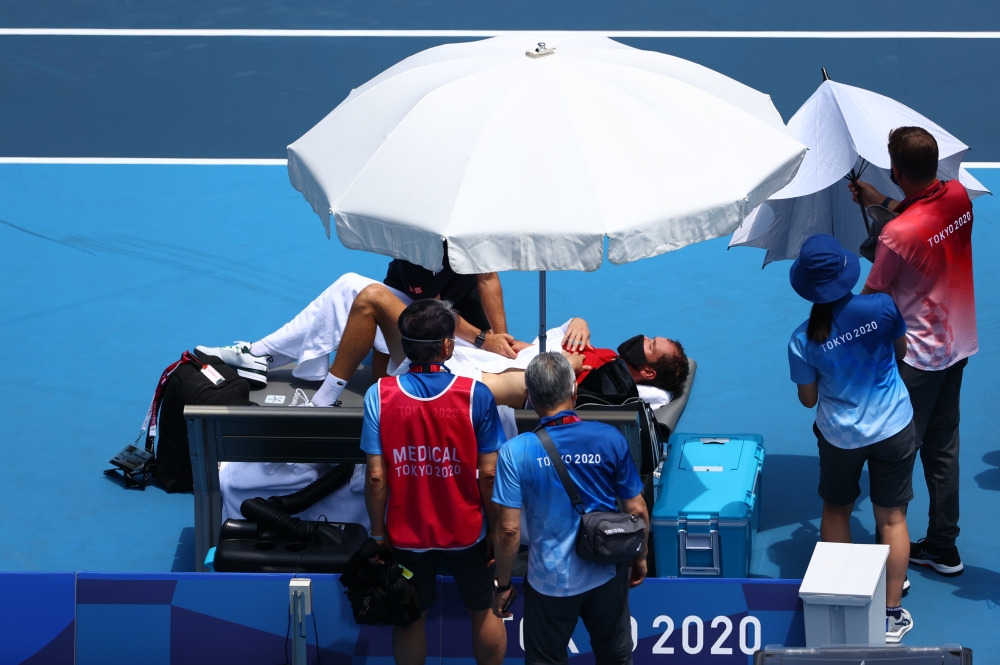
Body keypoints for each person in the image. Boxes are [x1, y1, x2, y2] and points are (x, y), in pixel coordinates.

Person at [850, 127, 976, 576]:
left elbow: (872, 295)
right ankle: (943, 545)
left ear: (895, 171)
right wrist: (878, 203)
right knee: (943, 449)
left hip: (917, 357)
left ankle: (893, 551)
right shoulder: (959, 197)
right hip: (958, 343)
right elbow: (922, 218)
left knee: (897, 452)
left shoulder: (896, 236)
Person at [361, 299, 508, 665]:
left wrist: (379, 535)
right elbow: (489, 474)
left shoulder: (379, 395)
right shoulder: (476, 395)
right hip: (468, 532)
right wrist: (494, 528)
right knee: (486, 611)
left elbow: (377, 475)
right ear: (447, 346)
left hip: (407, 535)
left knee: (411, 618)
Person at [787, 234, 916, 643]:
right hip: (894, 426)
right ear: (846, 270)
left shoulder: (801, 339)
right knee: (892, 519)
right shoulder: (882, 306)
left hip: (841, 437)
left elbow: (808, 401)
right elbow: (901, 352)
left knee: (837, 511)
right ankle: (891, 616)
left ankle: (845, 601)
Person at [198, 247, 525, 405]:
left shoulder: (466, 229)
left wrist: (499, 339)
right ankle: (260, 354)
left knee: (351, 287)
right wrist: (486, 340)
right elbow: (435, 311)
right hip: (440, 322)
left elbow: (487, 277)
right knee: (350, 289)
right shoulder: (414, 251)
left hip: (454, 333)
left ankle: (262, 357)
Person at [491, 353, 649, 665]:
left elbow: (508, 530)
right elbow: (637, 509)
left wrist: (504, 584)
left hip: (549, 583)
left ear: (530, 397)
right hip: (606, 571)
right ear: (574, 390)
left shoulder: (515, 452)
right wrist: (640, 558)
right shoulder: (609, 438)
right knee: (616, 657)